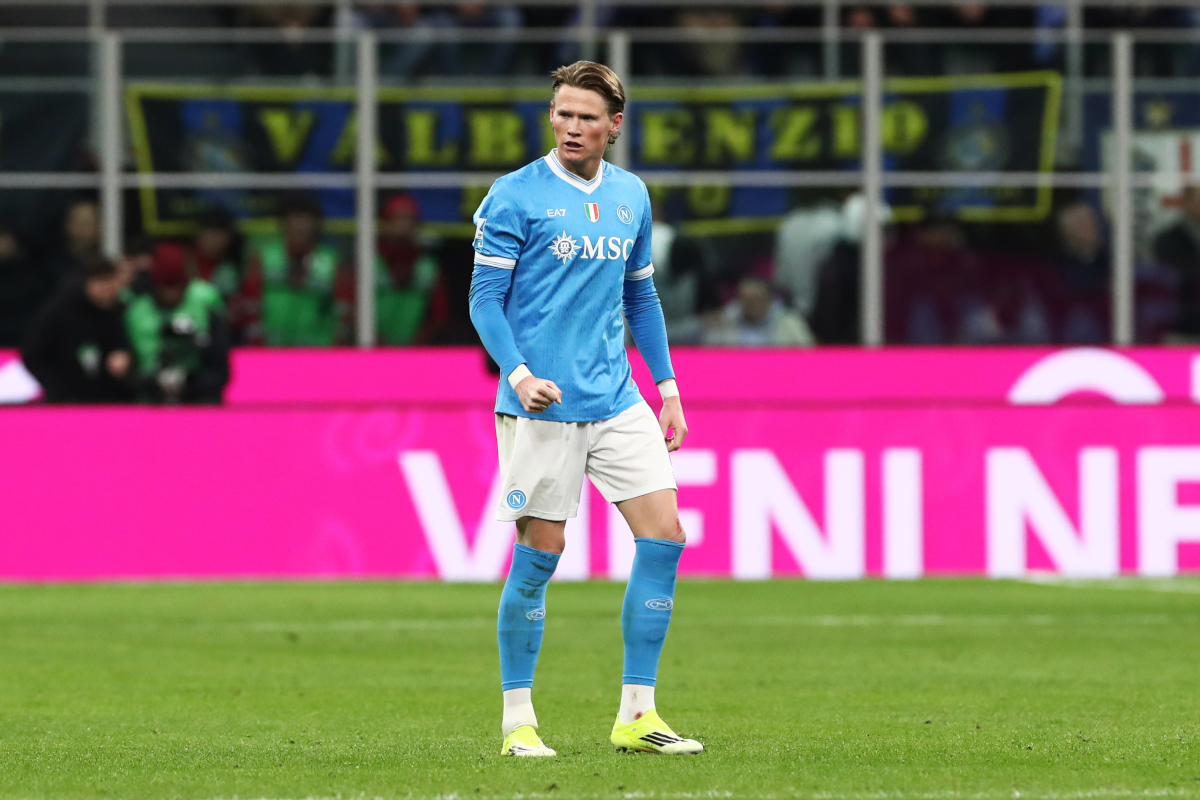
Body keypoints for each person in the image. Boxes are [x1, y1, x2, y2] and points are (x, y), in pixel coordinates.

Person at [468, 61, 702, 757]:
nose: (572, 126)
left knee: (665, 538)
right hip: (542, 403)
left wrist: (666, 388)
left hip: (616, 397)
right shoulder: (515, 196)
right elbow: (485, 300)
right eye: (563, 113)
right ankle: (518, 722)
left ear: (614, 126)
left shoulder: (631, 195)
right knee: (540, 555)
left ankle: (638, 714)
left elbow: (641, 299)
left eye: (587, 117)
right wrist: (519, 371)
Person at [240, 193, 351, 346]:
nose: (299, 225)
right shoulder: (264, 257)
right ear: (283, 222)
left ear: (316, 223)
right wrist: (256, 344)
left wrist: (337, 347)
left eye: (306, 219)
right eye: (294, 218)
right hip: (271, 352)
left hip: (319, 354)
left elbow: (343, 311)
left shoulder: (332, 261)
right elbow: (251, 304)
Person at [125, 243, 230, 404]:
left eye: (176, 286)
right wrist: (152, 384)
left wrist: (189, 383)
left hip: (199, 397)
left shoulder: (205, 304)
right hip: (148, 399)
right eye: (164, 287)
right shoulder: (136, 311)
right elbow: (127, 367)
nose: (170, 293)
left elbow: (221, 368)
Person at [21, 256, 134, 404]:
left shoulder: (119, 311)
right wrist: (57, 389)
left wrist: (123, 356)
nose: (109, 290)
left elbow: (124, 345)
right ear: (88, 282)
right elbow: (33, 355)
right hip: (67, 402)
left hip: (109, 401)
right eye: (103, 283)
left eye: (113, 284)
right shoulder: (57, 312)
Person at [375, 194, 441, 345]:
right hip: (374, 346)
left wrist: (425, 336)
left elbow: (439, 312)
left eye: (408, 219)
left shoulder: (427, 265)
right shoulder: (370, 262)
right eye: (397, 218)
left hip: (416, 348)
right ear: (385, 223)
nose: (403, 224)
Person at [704, 276, 815, 346]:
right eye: (746, 300)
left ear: (768, 300)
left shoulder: (789, 322)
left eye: (756, 299)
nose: (751, 304)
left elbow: (809, 355)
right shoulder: (724, 322)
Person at [1153, 185, 1200, 340]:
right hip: (1183, 322)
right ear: (1185, 203)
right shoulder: (1168, 239)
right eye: (1197, 199)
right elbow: (1174, 276)